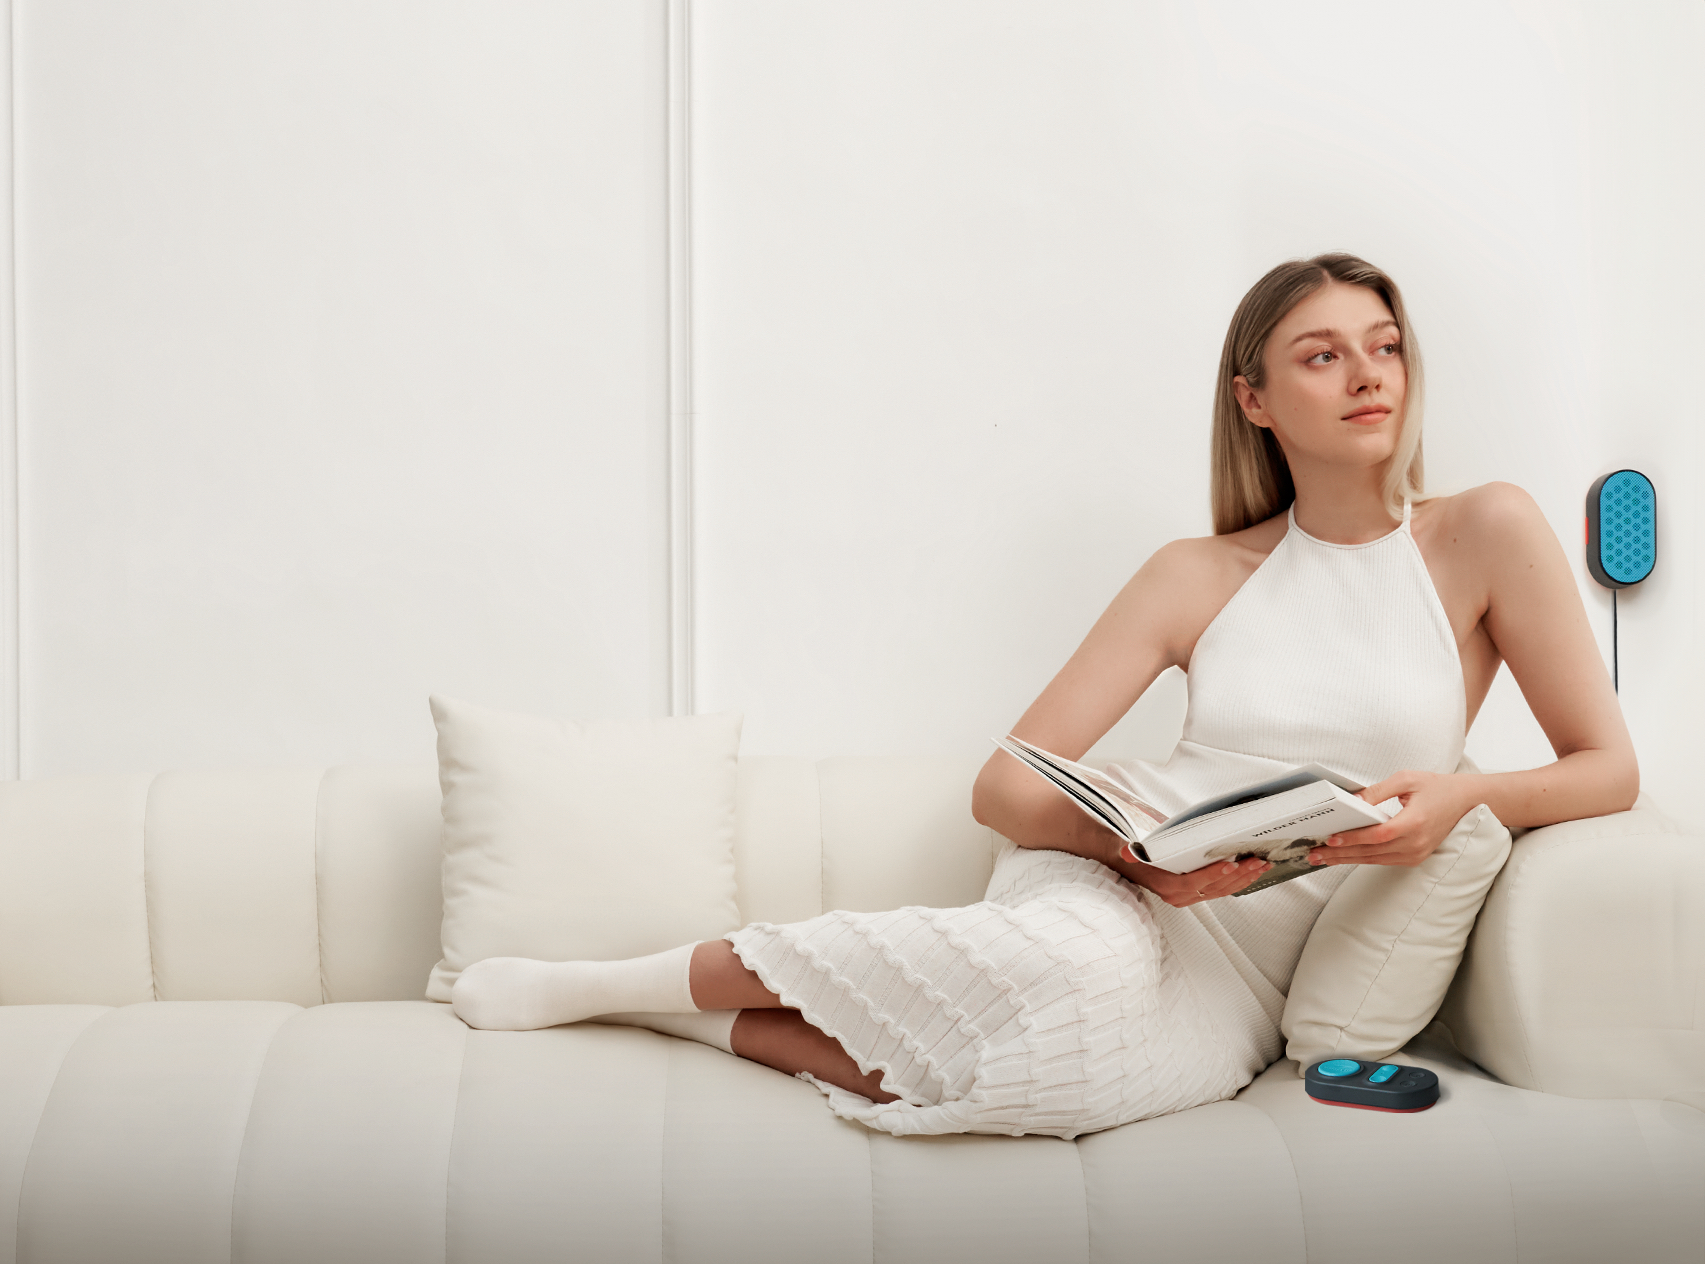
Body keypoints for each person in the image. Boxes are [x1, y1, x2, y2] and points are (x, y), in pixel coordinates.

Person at [450, 253, 1638, 1138]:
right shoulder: (1195, 573)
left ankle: (676, 1015)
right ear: (1256, 400)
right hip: (1120, 889)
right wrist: (1137, 857)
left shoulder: (1483, 531)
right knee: (1072, 976)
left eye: (1381, 344)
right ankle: (598, 980)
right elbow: (1003, 783)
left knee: (1056, 1080)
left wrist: (1462, 796)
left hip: (1250, 970)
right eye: (1320, 354)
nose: (1366, 374)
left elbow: (1605, 767)